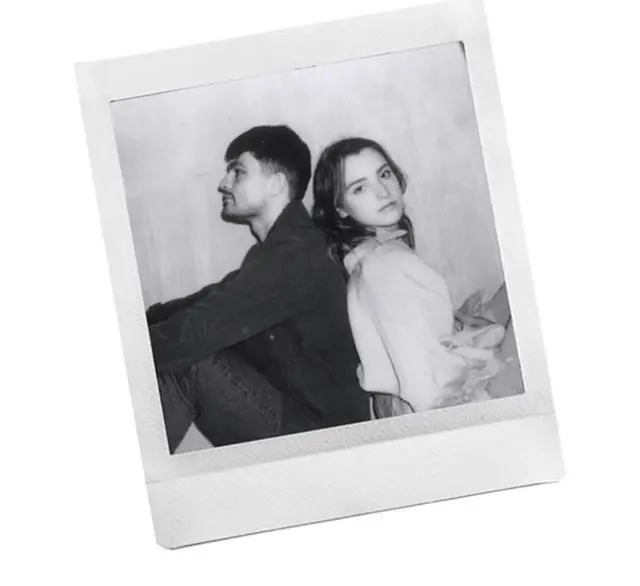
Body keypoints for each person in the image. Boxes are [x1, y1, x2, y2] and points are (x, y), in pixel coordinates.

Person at [147, 126, 370, 452]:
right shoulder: (283, 248)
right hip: (303, 415)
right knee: (181, 343)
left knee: (190, 359)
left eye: (238, 172)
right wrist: (141, 320)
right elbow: (215, 298)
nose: (224, 183)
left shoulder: (296, 255)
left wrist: (127, 350)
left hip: (325, 437)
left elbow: (204, 326)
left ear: (275, 184)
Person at [312, 137, 517, 418]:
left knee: (516, 291)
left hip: (424, 389)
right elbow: (425, 389)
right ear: (341, 209)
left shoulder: (376, 254)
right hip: (448, 404)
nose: (383, 191)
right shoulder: (383, 267)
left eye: (384, 174)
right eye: (360, 188)